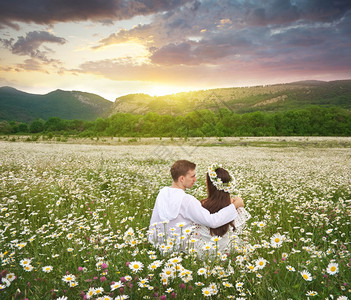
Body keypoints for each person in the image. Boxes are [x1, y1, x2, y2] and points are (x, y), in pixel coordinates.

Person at [148, 160, 244, 251]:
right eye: (192, 176)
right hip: (179, 249)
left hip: (157, 245)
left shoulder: (163, 192)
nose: (195, 179)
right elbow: (213, 221)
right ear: (182, 179)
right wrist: (234, 206)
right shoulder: (187, 200)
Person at [191, 164, 251, 256]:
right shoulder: (235, 206)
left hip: (204, 253)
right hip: (227, 252)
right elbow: (238, 232)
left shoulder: (201, 205)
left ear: (210, 185)